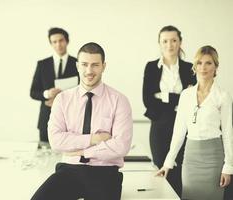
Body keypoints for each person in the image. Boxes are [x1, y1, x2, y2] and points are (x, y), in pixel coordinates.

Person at [31, 42, 133, 200]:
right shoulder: (62, 99)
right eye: (84, 64)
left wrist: (83, 151)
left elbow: (121, 146)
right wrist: (95, 139)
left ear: (103, 66)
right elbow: (56, 141)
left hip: (105, 172)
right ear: (77, 66)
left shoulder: (119, 100)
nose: (89, 71)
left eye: (95, 65)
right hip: (69, 169)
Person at [157, 45, 233, 200]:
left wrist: (228, 167)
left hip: (214, 159)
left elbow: (227, 133)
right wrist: (168, 163)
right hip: (190, 158)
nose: (203, 67)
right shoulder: (186, 95)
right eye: (199, 63)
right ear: (195, 66)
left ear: (216, 66)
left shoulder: (223, 96)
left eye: (208, 63)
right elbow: (179, 132)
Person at [142, 25, 196, 195]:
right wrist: (178, 98)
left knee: (181, 168)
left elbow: (193, 99)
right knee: (161, 167)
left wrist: (164, 96)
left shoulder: (190, 67)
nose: (169, 45)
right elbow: (148, 100)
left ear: (180, 42)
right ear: (159, 43)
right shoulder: (151, 67)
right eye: (165, 41)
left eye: (174, 40)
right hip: (159, 124)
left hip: (185, 126)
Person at [30, 27, 79, 148]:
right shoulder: (42, 64)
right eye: (54, 42)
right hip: (46, 119)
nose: (58, 44)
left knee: (69, 156)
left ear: (67, 41)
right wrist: (47, 94)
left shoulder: (78, 63)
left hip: (72, 120)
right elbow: (33, 92)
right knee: (45, 158)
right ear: (51, 44)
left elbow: (85, 90)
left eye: (61, 40)